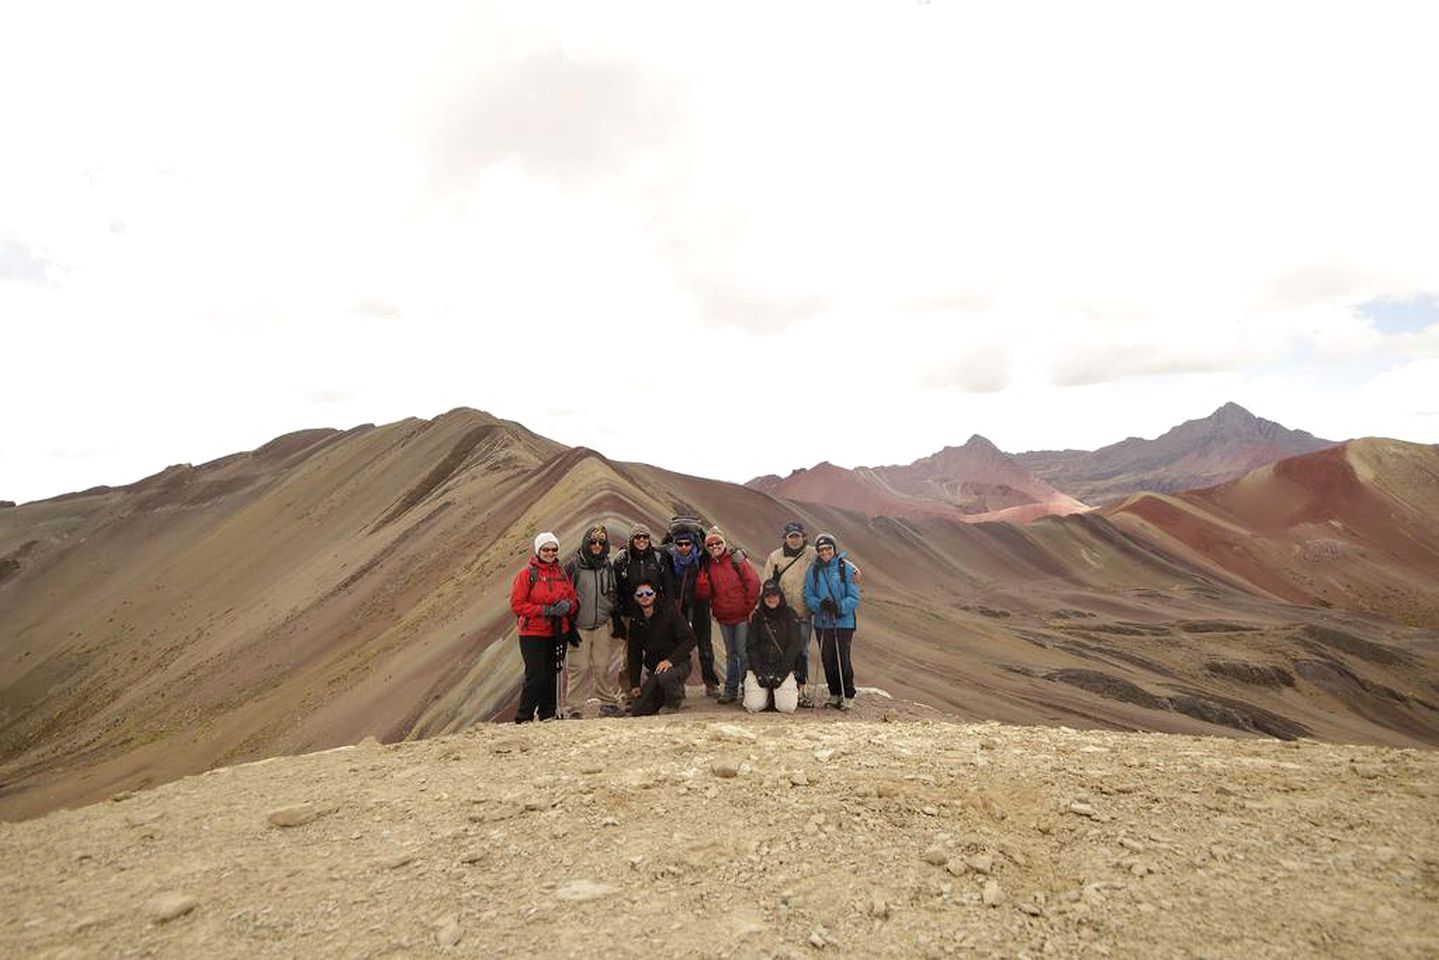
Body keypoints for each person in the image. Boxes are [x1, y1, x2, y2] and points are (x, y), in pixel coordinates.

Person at [509, 531, 580, 723]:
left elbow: (573, 599)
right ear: (538, 550)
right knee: (535, 673)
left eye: (553, 549)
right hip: (532, 632)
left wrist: (569, 606)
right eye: (546, 549)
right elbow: (517, 604)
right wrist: (546, 610)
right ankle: (524, 715)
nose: (550, 553)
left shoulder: (561, 573)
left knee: (552, 672)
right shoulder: (526, 575)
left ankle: (547, 713)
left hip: (557, 631)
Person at [561, 523, 626, 718]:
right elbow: (566, 596)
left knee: (602, 666)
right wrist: (569, 625)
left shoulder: (607, 565)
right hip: (579, 627)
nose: (597, 546)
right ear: (586, 543)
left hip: (601, 626)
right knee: (578, 667)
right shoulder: (574, 567)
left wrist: (615, 618)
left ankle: (608, 703)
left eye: (601, 542)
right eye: (593, 542)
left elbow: (612, 593)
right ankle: (574, 708)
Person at [694, 526, 760, 705]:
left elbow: (753, 581)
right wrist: (702, 585)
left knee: (742, 653)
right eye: (711, 544)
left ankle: (748, 689)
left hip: (741, 616)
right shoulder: (707, 566)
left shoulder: (735, 560)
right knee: (731, 654)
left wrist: (749, 606)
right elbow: (704, 595)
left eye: (718, 542)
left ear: (724, 543)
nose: (715, 546)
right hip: (723, 617)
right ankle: (731, 690)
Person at [663, 518, 722, 697]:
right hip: (677, 604)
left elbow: (720, 549)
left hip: (699, 604)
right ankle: (677, 685)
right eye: (679, 543)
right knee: (678, 643)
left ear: (694, 542)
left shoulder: (703, 555)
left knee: (704, 643)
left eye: (687, 543)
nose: (683, 547)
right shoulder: (667, 556)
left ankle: (710, 683)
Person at [803, 532, 861, 710]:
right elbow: (808, 594)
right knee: (827, 659)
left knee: (842, 658)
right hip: (823, 622)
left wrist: (838, 606)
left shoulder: (846, 568)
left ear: (834, 549)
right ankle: (834, 693)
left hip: (844, 623)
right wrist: (820, 605)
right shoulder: (813, 570)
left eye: (828, 548)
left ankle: (848, 694)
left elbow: (854, 597)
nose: (825, 552)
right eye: (821, 549)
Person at [763, 521, 818, 708]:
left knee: (801, 650)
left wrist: (851, 569)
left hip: (803, 612)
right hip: (782, 614)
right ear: (785, 538)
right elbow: (767, 583)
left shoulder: (812, 553)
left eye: (798, 536)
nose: (794, 540)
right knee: (781, 650)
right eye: (791, 537)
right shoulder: (775, 557)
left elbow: (832, 558)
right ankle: (783, 688)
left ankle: (802, 689)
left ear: (804, 537)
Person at [626, 577, 698, 716]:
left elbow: (690, 640)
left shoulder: (670, 612)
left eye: (648, 593)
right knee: (639, 710)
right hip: (656, 669)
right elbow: (634, 653)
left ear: (655, 594)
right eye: (640, 594)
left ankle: (674, 701)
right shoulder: (636, 620)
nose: (645, 597)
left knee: (666, 676)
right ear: (635, 598)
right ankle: (667, 694)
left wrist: (670, 661)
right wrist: (635, 683)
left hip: (678, 663)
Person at [743, 580, 805, 713]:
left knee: (787, 707)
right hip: (761, 668)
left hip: (783, 668)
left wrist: (781, 674)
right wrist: (759, 674)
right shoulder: (757, 617)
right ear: (763, 598)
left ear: (780, 596)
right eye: (768, 596)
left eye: (774, 595)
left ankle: (777, 694)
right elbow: (751, 647)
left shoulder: (790, 615)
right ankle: (767, 695)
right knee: (753, 706)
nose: (771, 599)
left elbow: (794, 647)